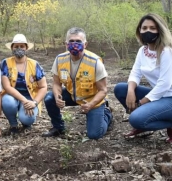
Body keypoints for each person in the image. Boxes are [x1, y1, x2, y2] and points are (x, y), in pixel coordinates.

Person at [42, 27, 113, 140]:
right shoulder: (60, 59)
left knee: (94, 135)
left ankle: (107, 114)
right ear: (66, 44)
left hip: (91, 99)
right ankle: (58, 127)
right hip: (72, 94)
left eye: (78, 41)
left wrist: (90, 105)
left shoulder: (95, 62)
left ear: (85, 44)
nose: (74, 44)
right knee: (49, 98)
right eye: (71, 41)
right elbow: (56, 84)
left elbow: (103, 90)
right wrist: (57, 96)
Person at [114, 13, 172, 141]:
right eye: (144, 28)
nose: (148, 31)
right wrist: (130, 91)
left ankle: (160, 122)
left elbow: (165, 84)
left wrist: (142, 102)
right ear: (139, 30)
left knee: (135, 119)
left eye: (153, 28)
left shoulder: (166, 51)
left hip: (169, 97)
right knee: (120, 89)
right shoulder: (142, 51)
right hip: (158, 96)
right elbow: (135, 73)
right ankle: (147, 119)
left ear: (159, 30)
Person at [0, 34, 47, 134]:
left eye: (22, 46)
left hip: (30, 96)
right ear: (12, 48)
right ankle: (13, 125)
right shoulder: (5, 63)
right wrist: (24, 100)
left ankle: (26, 124)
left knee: (27, 119)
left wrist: (34, 102)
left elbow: (43, 86)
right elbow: (7, 87)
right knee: (7, 101)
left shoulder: (34, 64)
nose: (19, 48)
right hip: (12, 96)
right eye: (16, 46)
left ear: (26, 48)